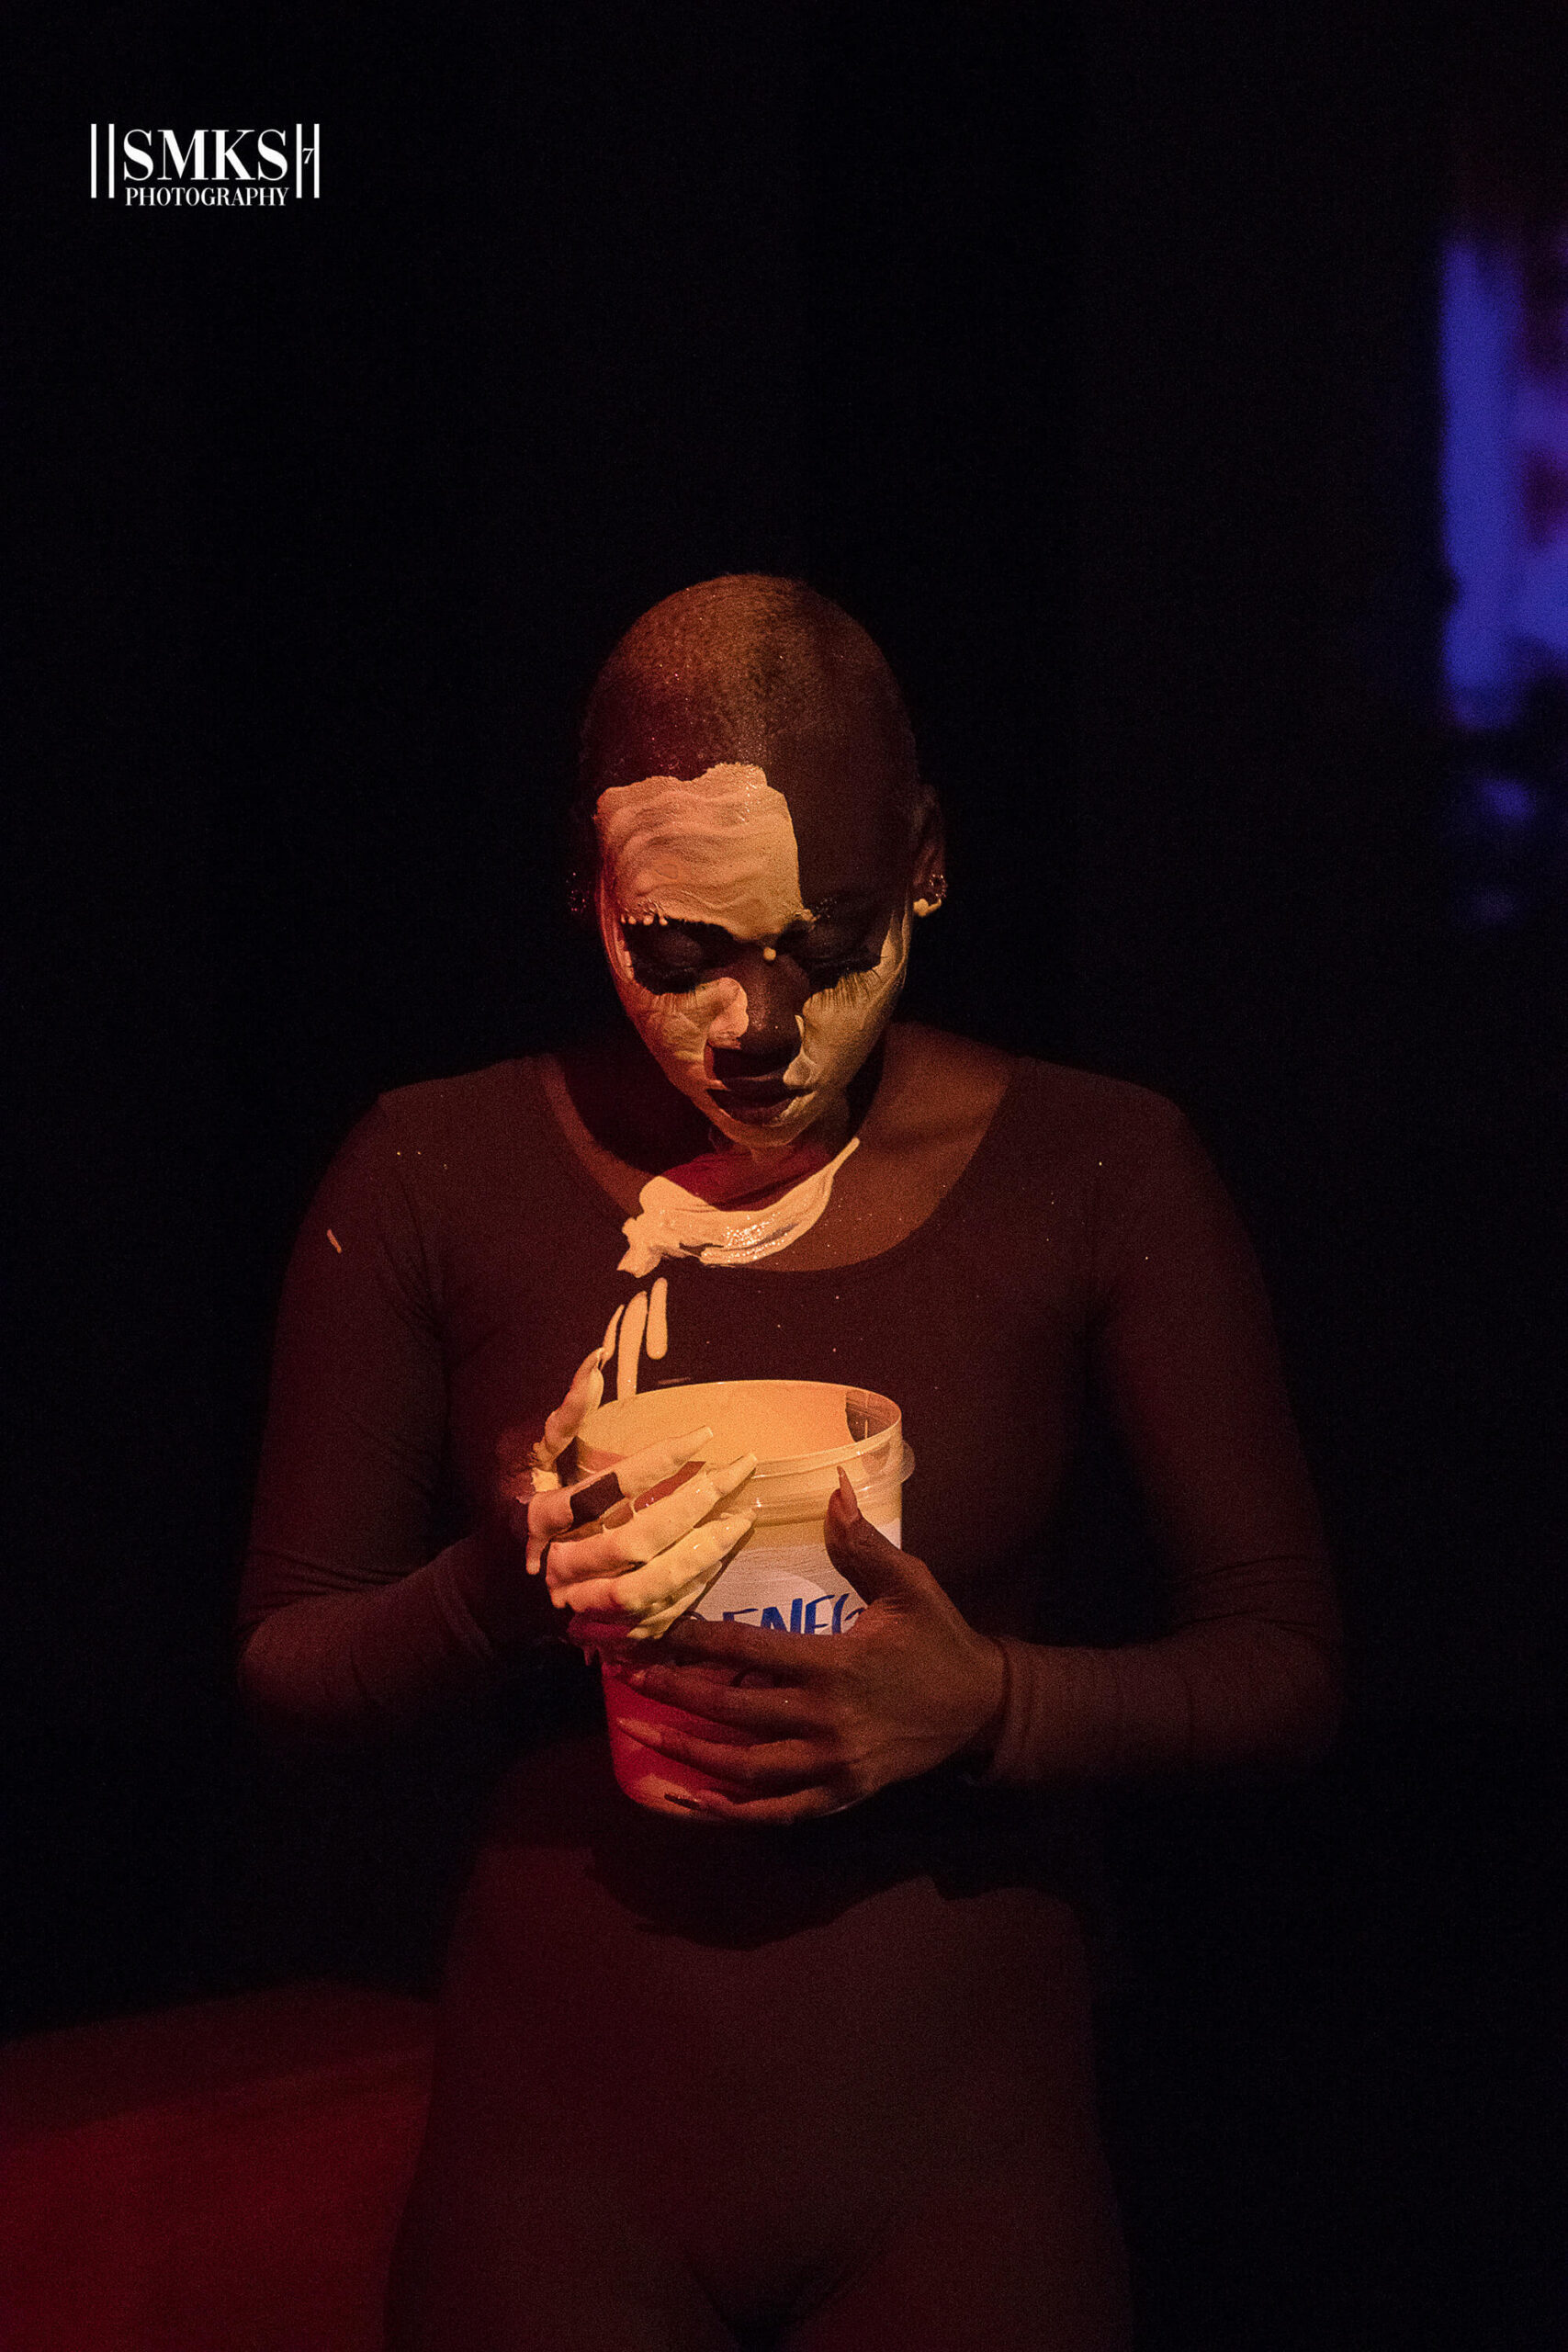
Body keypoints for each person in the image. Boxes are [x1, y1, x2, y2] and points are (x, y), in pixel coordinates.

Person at [237, 575, 1342, 2350]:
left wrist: (991, 1708)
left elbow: (1287, 1669)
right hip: (564, 2164)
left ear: (927, 867)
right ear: (585, 892)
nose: (757, 1027)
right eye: (680, 956)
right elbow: (287, 1659)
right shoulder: (433, 1174)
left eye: (828, 950)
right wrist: (498, 1590)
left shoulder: (1097, 1170)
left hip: (960, 2169)